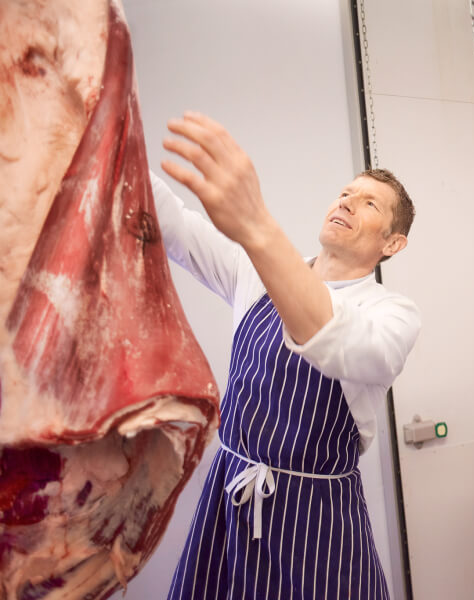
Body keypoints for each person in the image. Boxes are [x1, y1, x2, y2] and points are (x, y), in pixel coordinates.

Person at [153, 111, 420, 599]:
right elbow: (171, 221)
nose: (347, 202)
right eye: (346, 193)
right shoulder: (251, 272)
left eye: (369, 204)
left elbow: (336, 339)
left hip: (319, 522)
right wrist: (96, 123)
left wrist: (256, 223)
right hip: (229, 501)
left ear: (392, 243)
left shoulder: (393, 315)